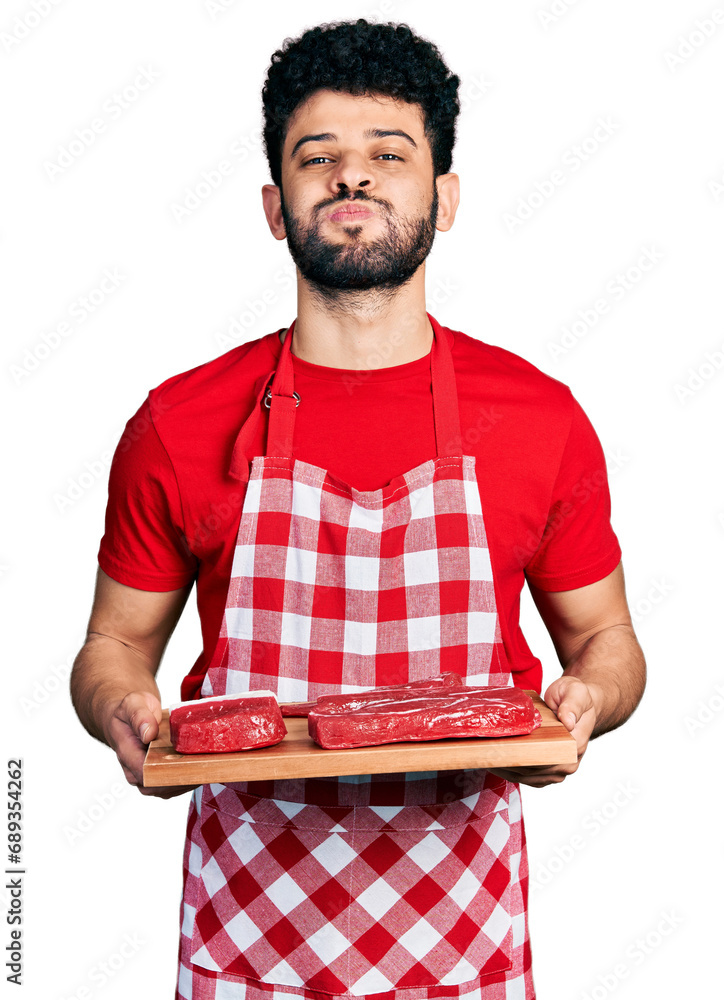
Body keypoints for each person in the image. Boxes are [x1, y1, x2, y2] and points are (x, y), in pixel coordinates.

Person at [70, 18, 646, 1000]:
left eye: (389, 153)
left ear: (445, 196)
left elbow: (611, 643)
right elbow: (111, 648)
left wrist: (588, 703)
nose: (353, 177)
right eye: (318, 156)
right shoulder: (179, 421)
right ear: (273, 203)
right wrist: (118, 705)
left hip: (460, 942)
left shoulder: (541, 419)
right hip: (249, 940)